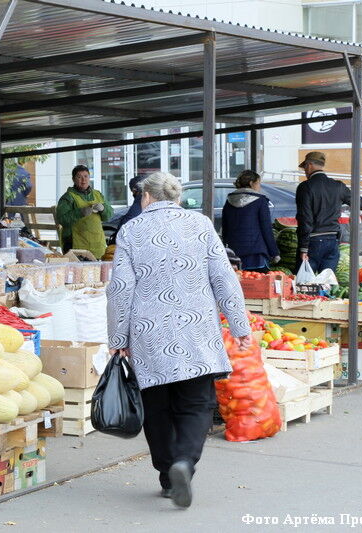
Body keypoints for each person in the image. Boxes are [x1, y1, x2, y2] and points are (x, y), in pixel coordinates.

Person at [106, 171, 251, 509]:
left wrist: (118, 336)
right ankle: (185, 461)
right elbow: (223, 278)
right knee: (197, 403)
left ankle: (167, 477)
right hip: (195, 328)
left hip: (149, 333)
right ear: (177, 197)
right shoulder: (200, 226)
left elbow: (121, 289)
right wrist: (240, 327)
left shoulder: (132, 230)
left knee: (156, 407)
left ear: (145, 196)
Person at [296, 152, 362, 273]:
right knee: (327, 283)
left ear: (309, 165)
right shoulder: (338, 186)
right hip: (332, 241)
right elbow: (358, 201)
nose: (305, 171)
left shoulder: (305, 187)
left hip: (312, 242)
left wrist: (304, 248)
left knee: (305, 286)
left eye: (304, 167)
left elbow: (305, 218)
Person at [221, 170, 280, 272]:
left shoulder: (229, 201)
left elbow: (225, 228)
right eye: (258, 183)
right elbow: (266, 229)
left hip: (234, 254)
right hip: (256, 255)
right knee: (257, 284)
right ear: (251, 183)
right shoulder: (260, 201)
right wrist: (274, 253)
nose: (259, 187)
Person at [55, 165, 114, 258]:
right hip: (75, 245)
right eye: (79, 177)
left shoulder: (97, 194)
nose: (83, 180)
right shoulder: (68, 197)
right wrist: (80, 212)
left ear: (89, 178)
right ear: (73, 179)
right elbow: (62, 219)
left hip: (98, 244)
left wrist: (103, 209)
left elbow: (109, 215)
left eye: (86, 176)